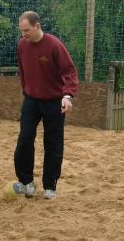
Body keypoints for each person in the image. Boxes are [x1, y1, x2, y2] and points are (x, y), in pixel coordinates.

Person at [11, 11, 79, 201]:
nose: (23, 34)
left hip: (54, 101)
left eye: (26, 30)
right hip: (31, 100)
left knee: (53, 143)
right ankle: (27, 182)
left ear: (37, 26)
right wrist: (27, 90)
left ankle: (50, 186)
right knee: (24, 138)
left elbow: (70, 73)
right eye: (21, 31)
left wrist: (67, 96)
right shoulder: (22, 45)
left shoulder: (54, 45)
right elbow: (24, 71)